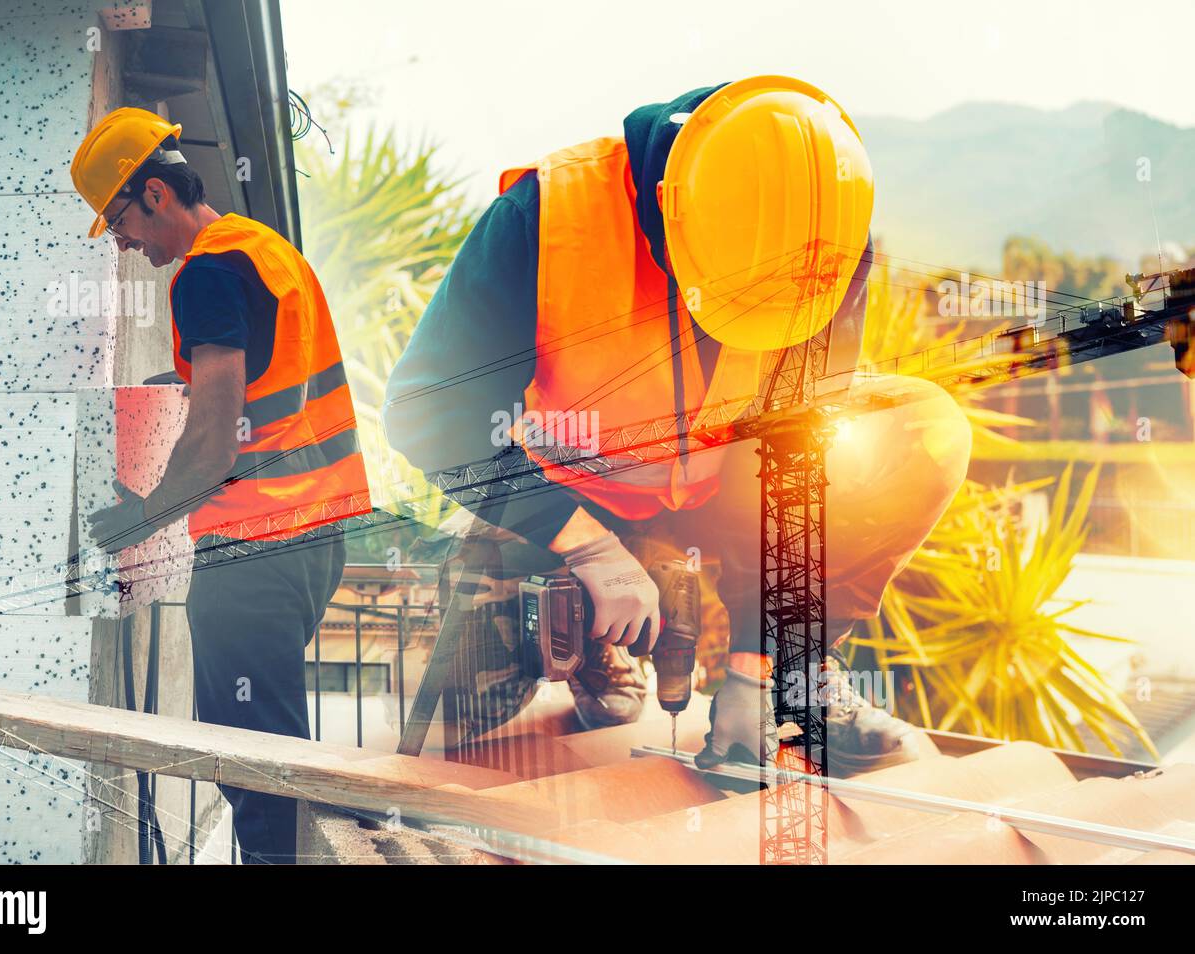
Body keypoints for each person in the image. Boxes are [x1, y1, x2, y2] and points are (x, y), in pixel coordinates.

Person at [383, 77, 971, 774]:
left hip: (722, 492)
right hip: (567, 494)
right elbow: (426, 410)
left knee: (920, 430)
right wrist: (589, 549)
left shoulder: (830, 243)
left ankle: (796, 675)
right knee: (438, 703)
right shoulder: (548, 216)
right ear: (667, 205)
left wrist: (755, 666)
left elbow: (796, 456)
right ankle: (591, 631)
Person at [70, 107, 371, 860]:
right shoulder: (264, 249)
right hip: (313, 536)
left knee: (253, 765)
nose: (126, 246)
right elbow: (260, 400)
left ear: (155, 195)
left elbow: (210, 444)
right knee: (275, 754)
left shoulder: (206, 275)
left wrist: (141, 518)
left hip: (255, 549)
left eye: (120, 224)